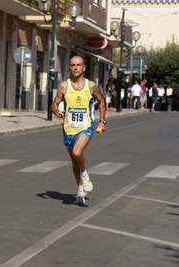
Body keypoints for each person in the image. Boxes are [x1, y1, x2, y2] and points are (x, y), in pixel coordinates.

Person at [51, 56, 106, 205]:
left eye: (78, 65)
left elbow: (101, 101)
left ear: (84, 68)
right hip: (68, 129)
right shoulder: (63, 86)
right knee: (74, 161)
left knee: (77, 152)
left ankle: (85, 174)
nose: (75, 67)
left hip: (86, 127)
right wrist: (57, 113)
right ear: (69, 68)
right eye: (72, 65)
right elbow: (54, 105)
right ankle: (80, 188)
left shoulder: (91, 86)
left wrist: (102, 121)